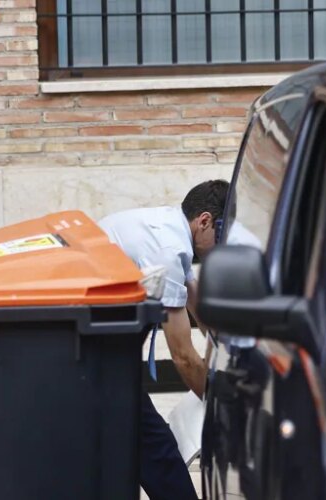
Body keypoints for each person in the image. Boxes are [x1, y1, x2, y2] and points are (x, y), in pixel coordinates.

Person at [98, 179, 230, 500]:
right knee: (157, 447)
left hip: (98, 343)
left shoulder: (167, 227)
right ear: (205, 222)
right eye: (223, 238)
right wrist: (218, 412)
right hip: (97, 354)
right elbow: (183, 356)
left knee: (144, 444)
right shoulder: (169, 250)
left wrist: (225, 339)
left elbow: (193, 299)